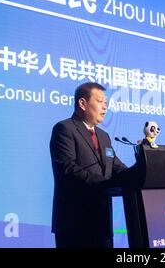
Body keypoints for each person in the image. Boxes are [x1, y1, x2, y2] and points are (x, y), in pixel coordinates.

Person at [50, 82, 128, 248]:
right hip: (74, 224)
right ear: (82, 103)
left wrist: (139, 175)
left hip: (102, 223)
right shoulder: (64, 129)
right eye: (100, 102)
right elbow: (68, 170)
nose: (105, 108)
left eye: (106, 104)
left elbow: (116, 166)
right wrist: (104, 183)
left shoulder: (104, 136)